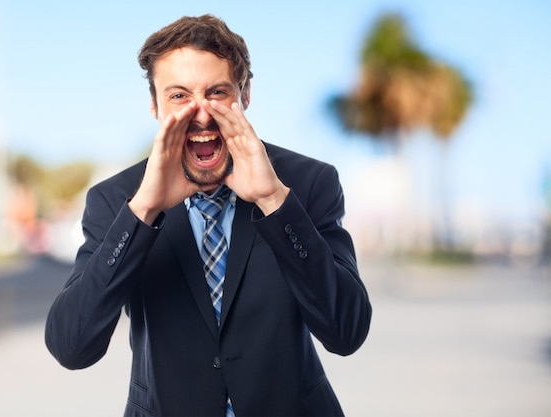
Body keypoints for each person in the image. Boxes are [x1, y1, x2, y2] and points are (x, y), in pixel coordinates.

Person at [45, 14, 372, 417]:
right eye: (179, 96)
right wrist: (143, 211)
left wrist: (273, 201)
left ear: (245, 94)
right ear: (154, 105)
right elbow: (71, 347)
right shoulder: (116, 200)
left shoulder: (307, 183)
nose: (200, 114)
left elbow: (347, 332)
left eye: (216, 92)